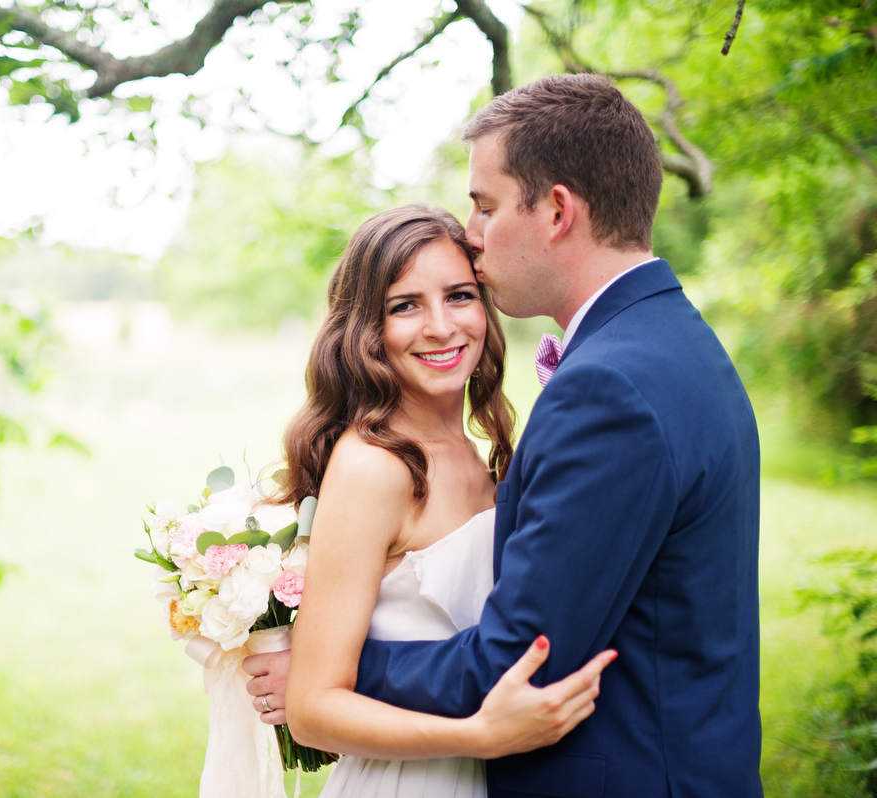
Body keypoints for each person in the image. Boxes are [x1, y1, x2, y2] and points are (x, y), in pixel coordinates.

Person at [245, 73, 763, 798]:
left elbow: (523, 656)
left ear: (555, 211)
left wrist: (330, 661)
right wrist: (324, 679)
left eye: (485, 206)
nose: (476, 234)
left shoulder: (605, 387)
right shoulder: (678, 343)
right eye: (405, 306)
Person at [254, 203, 617, 797]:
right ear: (366, 331)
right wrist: (480, 737)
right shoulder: (374, 466)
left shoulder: (481, 448)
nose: (442, 327)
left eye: (459, 296)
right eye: (405, 306)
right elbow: (314, 706)